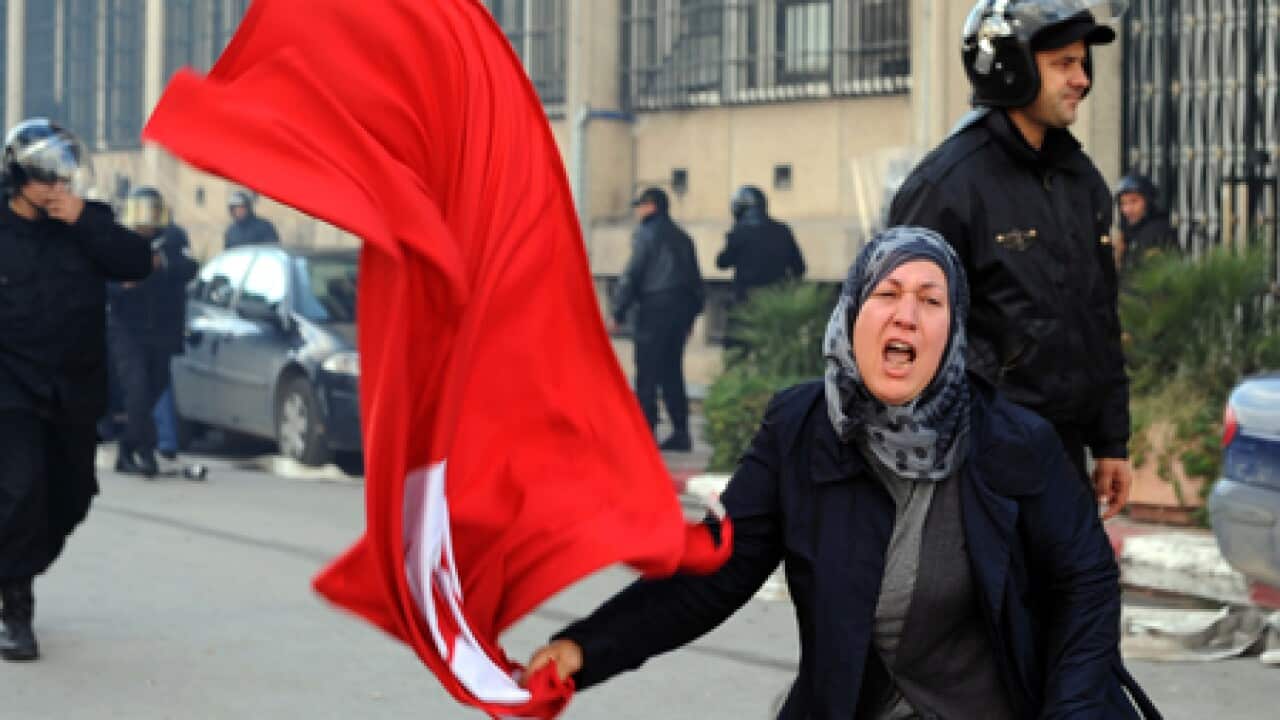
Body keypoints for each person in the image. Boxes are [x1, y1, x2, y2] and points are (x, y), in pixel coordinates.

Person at [526, 228, 1161, 719]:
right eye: (887, 293)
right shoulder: (800, 429)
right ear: (853, 313)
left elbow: (1087, 582)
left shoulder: (1016, 442)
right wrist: (586, 649)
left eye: (930, 300)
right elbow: (715, 573)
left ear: (953, 330)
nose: (906, 314)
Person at [888, 0, 1132, 519]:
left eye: (1083, 63)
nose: (1082, 80)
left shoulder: (1080, 180)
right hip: (977, 458)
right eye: (1064, 63)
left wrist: (1111, 442)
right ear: (1011, 65)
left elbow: (1099, 319)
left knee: (1083, 597)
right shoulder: (947, 187)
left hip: (1061, 456)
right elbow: (900, 333)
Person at [0, 118, 152, 661]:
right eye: (43, 177)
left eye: (62, 176)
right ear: (18, 178)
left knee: (71, 497)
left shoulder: (89, 224)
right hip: (11, 389)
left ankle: (13, 567)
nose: (55, 188)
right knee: (19, 489)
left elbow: (138, 262)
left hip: (74, 388)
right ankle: (15, 608)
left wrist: (85, 221)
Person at [107, 187, 200, 477]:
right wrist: (122, 286)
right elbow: (100, 279)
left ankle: (126, 448)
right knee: (136, 390)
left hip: (162, 330)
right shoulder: (118, 242)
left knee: (154, 389)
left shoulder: (172, 239)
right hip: (128, 330)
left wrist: (163, 264)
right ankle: (147, 452)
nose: (146, 221)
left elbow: (190, 268)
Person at [608, 187, 704, 452]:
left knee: (647, 374)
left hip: (653, 309)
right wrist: (690, 318)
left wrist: (618, 312)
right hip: (679, 311)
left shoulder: (646, 235)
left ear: (651, 206)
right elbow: (696, 282)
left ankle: (644, 433)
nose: (637, 211)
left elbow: (632, 275)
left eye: (639, 205)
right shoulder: (683, 238)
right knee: (672, 372)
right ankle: (681, 433)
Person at [716, 185, 805, 351]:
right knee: (775, 348)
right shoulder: (782, 230)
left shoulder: (740, 232)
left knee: (737, 349)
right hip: (775, 301)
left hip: (744, 302)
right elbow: (799, 268)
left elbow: (722, 262)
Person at [1114, 173, 1178, 277]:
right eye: (1123, 203)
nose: (1127, 209)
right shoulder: (1131, 230)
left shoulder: (1157, 232)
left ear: (1148, 201)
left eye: (1134, 202)